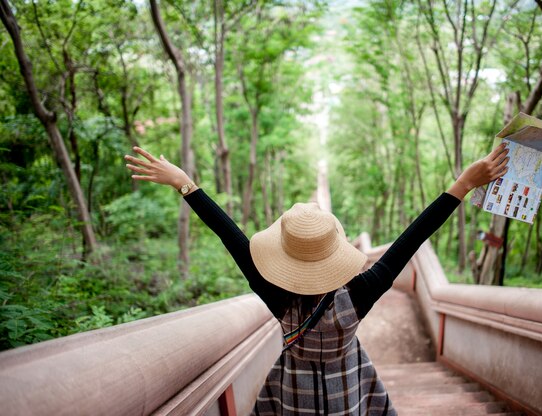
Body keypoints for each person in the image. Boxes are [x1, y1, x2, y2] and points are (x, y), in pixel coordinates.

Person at [124, 143, 509, 415]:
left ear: (282, 255)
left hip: (294, 397)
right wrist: (462, 184)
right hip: (349, 392)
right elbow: (412, 239)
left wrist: (184, 183)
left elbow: (230, 235)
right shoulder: (361, 293)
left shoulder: (277, 296)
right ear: (335, 252)